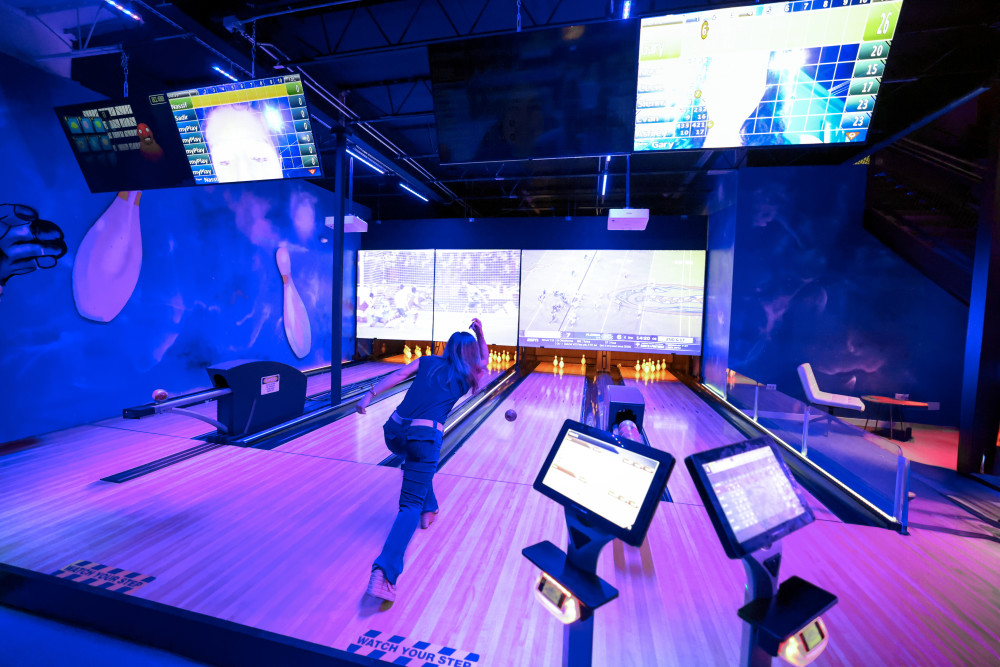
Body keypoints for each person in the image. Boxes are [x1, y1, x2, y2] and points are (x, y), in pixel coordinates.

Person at [355, 318, 489, 603]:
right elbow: (484, 358)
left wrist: (368, 395)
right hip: (424, 438)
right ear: (469, 355)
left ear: (448, 348)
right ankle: (385, 572)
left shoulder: (427, 361)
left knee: (416, 467)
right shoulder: (467, 376)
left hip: (393, 432)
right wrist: (480, 332)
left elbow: (397, 376)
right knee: (409, 505)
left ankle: (431, 510)